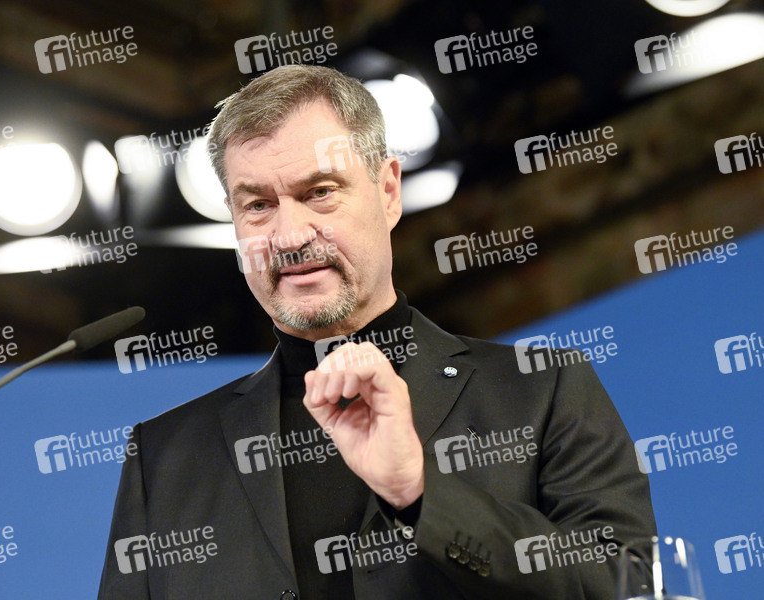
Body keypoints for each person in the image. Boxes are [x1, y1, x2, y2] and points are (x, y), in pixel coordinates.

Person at [98, 64, 656, 600]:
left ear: (388, 191)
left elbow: (625, 585)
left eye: (320, 191)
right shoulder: (163, 459)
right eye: (259, 205)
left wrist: (420, 492)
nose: (289, 235)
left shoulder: (541, 391)